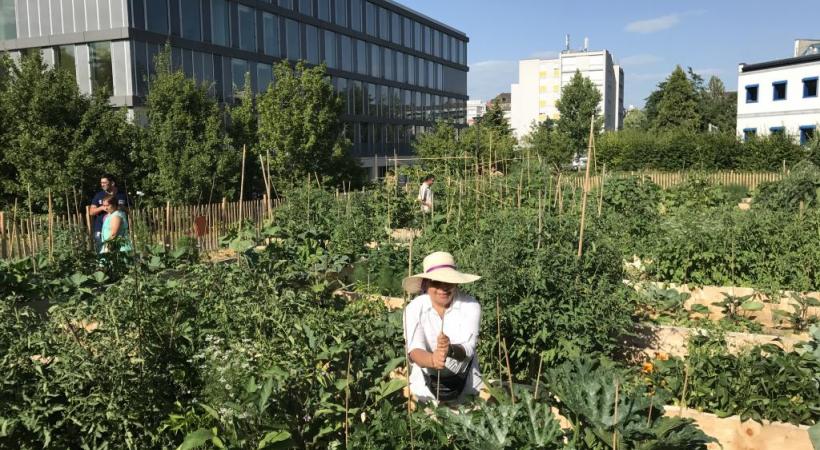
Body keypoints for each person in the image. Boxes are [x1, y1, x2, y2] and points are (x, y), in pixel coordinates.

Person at [402, 251, 483, 404]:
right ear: (426, 284)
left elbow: (469, 348)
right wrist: (432, 360)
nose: (443, 288)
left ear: (456, 283)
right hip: (425, 388)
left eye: (448, 282)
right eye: (436, 282)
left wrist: (450, 350)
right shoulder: (414, 308)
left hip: (466, 384)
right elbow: (414, 350)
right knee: (430, 424)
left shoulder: (470, 306)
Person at [89, 174, 129, 251]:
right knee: (102, 249)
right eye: (101, 183)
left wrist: (121, 207)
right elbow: (91, 212)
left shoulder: (122, 195)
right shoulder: (99, 195)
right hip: (101, 228)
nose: (102, 184)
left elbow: (130, 210)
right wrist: (101, 207)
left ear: (112, 183)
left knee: (118, 250)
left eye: (104, 182)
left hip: (117, 229)